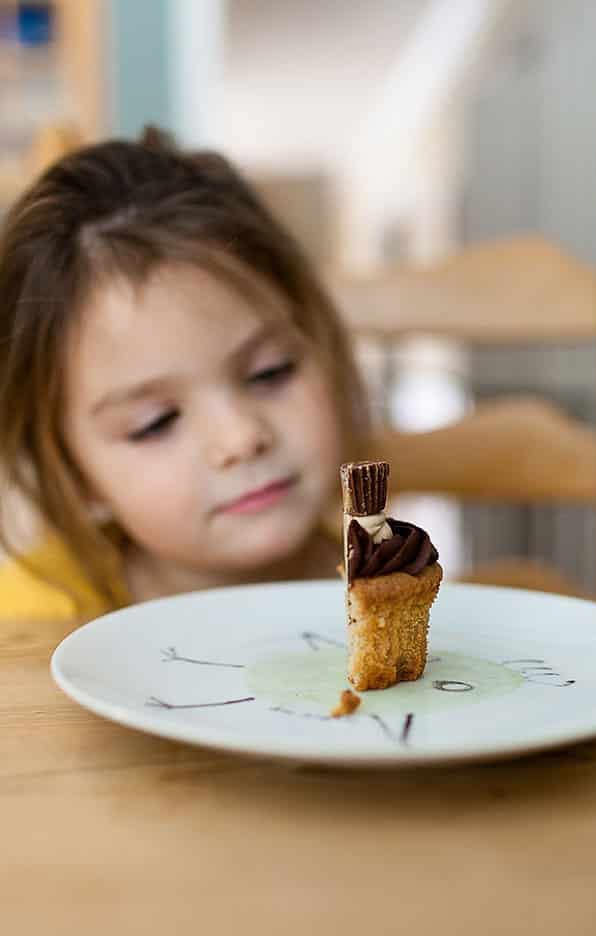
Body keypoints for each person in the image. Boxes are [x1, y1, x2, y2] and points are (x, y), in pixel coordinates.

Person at [0, 127, 371, 618]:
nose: (241, 438)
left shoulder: (389, 583)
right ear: (74, 477)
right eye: (155, 422)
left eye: (270, 373)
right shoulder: (25, 626)